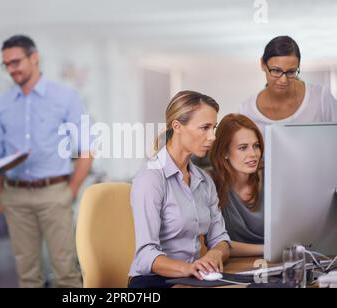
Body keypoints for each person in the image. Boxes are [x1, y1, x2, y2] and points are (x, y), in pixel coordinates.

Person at [0, 35, 93, 288]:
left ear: (34, 57)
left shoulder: (65, 97)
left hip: (55, 193)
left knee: (66, 273)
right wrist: (0, 192)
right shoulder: (2, 103)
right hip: (15, 196)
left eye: (16, 62)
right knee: (27, 276)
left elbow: (86, 149)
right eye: (7, 64)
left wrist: (70, 191)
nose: (11, 69)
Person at [128, 91, 231, 288]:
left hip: (192, 277)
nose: (212, 137)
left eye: (214, 128)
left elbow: (221, 238)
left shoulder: (204, 181)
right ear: (177, 126)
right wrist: (189, 269)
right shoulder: (151, 178)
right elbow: (145, 255)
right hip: (152, 281)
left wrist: (215, 252)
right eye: (205, 128)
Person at [240, 35, 337, 137]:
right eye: (276, 71)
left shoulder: (321, 99)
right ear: (263, 64)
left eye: (291, 72)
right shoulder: (247, 111)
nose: (283, 80)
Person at [209, 114, 264, 257]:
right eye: (243, 148)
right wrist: (267, 249)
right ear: (225, 152)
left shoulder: (271, 178)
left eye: (256, 146)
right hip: (232, 267)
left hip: (277, 262)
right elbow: (216, 244)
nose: (253, 154)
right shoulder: (210, 184)